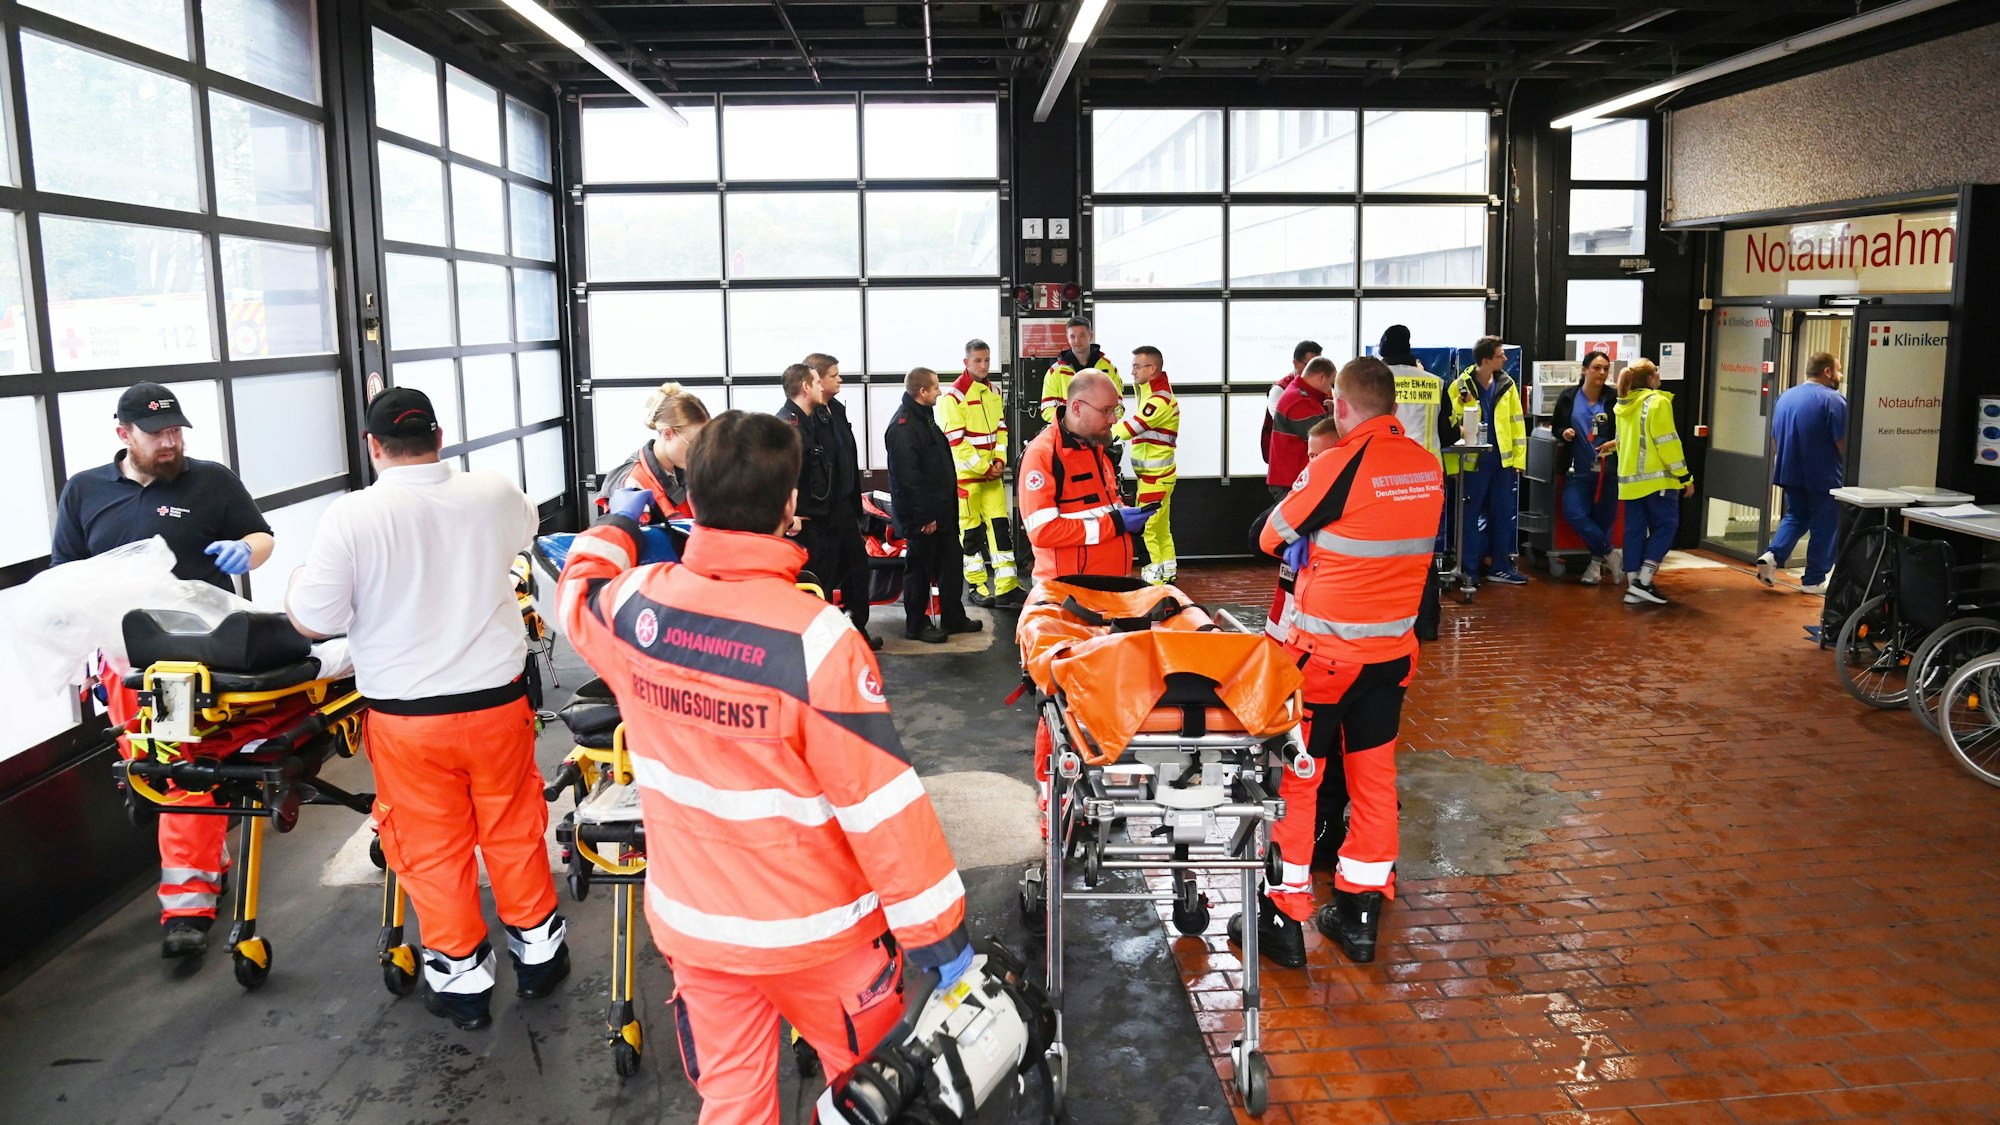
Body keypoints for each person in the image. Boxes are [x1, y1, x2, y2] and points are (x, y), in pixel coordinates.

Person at [555, 410, 972, 1125]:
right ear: (789, 506)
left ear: (692, 499)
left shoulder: (633, 607)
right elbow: (880, 807)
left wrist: (624, 520)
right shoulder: (816, 640)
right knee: (873, 1095)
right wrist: (939, 933)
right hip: (819, 935)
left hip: (699, 928)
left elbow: (578, 580)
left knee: (733, 1103)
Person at [286, 388, 568, 1029]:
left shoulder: (351, 518)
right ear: (440, 436)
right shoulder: (493, 492)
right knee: (514, 828)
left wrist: (304, 579)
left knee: (432, 848)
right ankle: (541, 961)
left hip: (409, 720)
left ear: (373, 446)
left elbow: (313, 619)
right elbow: (527, 537)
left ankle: (464, 987)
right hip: (498, 707)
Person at [51, 382, 276, 959]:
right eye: (158, 434)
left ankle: (189, 908)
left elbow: (261, 534)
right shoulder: (85, 492)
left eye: (177, 431)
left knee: (180, 774)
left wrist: (246, 551)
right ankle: (207, 861)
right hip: (123, 663)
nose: (171, 442)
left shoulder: (212, 481)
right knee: (150, 773)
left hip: (189, 661)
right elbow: (66, 576)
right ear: (124, 434)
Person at [1249, 357, 1444, 968]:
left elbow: (1270, 536)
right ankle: (1360, 915)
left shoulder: (1338, 464)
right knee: (1374, 781)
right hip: (1391, 658)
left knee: (1300, 783)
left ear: (1340, 405)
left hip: (1325, 661)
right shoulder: (1425, 466)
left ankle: (1284, 919)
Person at [778, 361, 878, 650]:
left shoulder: (821, 416)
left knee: (853, 571)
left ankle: (848, 632)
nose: (830, 384)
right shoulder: (789, 426)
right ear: (807, 385)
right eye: (825, 379)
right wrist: (789, 516)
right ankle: (816, 643)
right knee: (817, 581)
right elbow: (784, 476)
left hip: (836, 513)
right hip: (810, 521)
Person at [1018, 369, 1152, 585]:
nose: (1113, 419)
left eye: (1116, 409)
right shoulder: (1043, 454)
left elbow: (1100, 507)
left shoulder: (1095, 445)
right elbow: (1042, 531)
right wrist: (1115, 523)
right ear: (1077, 408)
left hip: (1106, 588)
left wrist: (1126, 515)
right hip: (1068, 595)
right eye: (1106, 410)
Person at [885, 367, 981, 643]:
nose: (940, 392)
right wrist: (923, 518)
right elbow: (907, 480)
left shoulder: (924, 418)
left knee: (950, 565)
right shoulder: (904, 427)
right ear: (922, 391)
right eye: (936, 387)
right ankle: (916, 624)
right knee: (919, 570)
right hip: (923, 519)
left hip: (942, 514)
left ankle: (952, 617)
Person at [939, 339, 1022, 608]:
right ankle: (976, 585)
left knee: (1000, 529)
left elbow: (1001, 430)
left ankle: (1007, 586)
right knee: (971, 533)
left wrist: (999, 460)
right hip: (968, 479)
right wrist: (984, 467)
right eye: (977, 360)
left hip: (992, 476)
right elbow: (956, 441)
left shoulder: (994, 391)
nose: (984, 365)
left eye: (987, 360)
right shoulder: (953, 397)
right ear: (966, 362)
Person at [1757, 352, 1848, 594]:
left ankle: (1772, 555)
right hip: (1824, 475)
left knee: (1796, 516)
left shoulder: (1784, 397)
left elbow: (1775, 439)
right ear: (1827, 371)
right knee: (1825, 525)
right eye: (1838, 370)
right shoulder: (1834, 400)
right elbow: (1842, 442)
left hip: (1789, 471)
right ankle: (1814, 580)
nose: (1840, 375)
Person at [1446, 336, 1531, 586]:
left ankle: (1501, 567)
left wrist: (1519, 460)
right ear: (1486, 360)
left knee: (1502, 514)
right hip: (1472, 463)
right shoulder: (1461, 386)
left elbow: (1517, 423)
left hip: (1501, 464)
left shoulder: (1508, 384)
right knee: (1469, 516)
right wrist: (1454, 467)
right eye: (1500, 355)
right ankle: (1469, 570)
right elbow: (1451, 425)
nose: (1505, 359)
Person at [804, 353, 876, 645]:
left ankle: (857, 628)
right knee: (824, 574)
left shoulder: (836, 410)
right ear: (817, 380)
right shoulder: (807, 416)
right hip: (823, 515)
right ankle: (824, 636)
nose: (840, 379)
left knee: (858, 569)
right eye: (834, 375)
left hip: (845, 508)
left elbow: (846, 457)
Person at [1613, 358, 1692, 606]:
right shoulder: (1657, 402)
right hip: (1658, 480)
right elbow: (1667, 443)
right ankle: (1644, 581)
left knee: (1633, 531)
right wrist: (1684, 476)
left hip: (1629, 482)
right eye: (1656, 371)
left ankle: (1633, 586)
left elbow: (1619, 443)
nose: (1659, 374)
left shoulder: (1622, 405)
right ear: (1649, 379)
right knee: (1666, 526)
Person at [1260, 417, 1342, 648]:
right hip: (1293, 612)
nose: (1313, 462)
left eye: (1320, 455)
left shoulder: (1344, 489)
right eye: (1311, 455)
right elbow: (1261, 538)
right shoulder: (1307, 483)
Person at [1550, 351, 1624, 586]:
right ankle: (1611, 553)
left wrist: (1614, 442)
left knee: (1604, 519)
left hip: (1608, 471)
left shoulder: (1615, 399)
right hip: (1579, 470)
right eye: (1596, 368)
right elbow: (1557, 425)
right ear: (1584, 370)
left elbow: (1626, 431)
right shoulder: (1569, 397)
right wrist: (1564, 432)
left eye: (1605, 369)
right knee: (1574, 513)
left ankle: (1594, 567)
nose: (1602, 373)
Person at [597, 382, 711, 523]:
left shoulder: (682, 469)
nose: (699, 452)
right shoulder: (633, 484)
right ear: (668, 434)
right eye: (693, 444)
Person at [1115, 345, 1181, 585]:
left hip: (1155, 477)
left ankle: (1154, 581)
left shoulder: (1158, 400)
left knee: (1148, 529)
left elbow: (1132, 427)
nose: (1132, 372)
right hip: (1158, 476)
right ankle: (1168, 573)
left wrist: (1101, 433)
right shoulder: (1153, 392)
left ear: (1152, 369)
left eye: (1136, 366)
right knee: (1161, 527)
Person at [1266, 356, 1336, 501]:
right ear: (1321, 377)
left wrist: (1324, 408)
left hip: (1291, 478)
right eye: (1330, 383)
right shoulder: (1299, 400)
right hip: (1290, 480)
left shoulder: (1299, 393)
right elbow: (1321, 437)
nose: (1330, 389)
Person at [1038, 316, 1123, 424]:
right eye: (1072, 336)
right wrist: (1072, 422)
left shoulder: (1108, 369)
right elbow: (1047, 409)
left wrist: (1099, 421)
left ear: (1090, 336)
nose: (1077, 341)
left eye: (1082, 335)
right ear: (1067, 338)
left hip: (1100, 431)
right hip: (1068, 435)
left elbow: (1118, 405)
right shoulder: (1055, 372)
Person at [1260, 340, 1321, 467]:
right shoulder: (1280, 390)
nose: (1316, 372)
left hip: (1314, 460)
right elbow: (1286, 423)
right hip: (1287, 461)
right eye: (1310, 365)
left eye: (1319, 366)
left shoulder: (1323, 387)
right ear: (1295, 363)